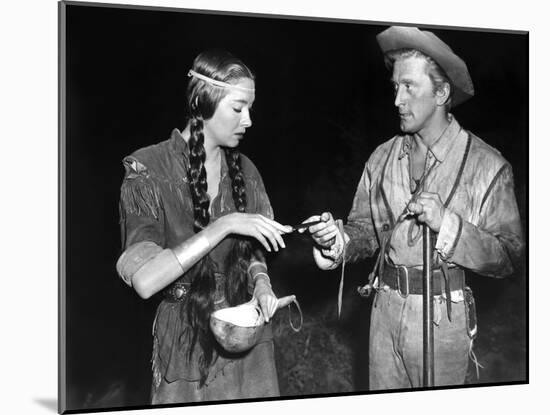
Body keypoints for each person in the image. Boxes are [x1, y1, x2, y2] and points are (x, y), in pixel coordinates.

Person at [303, 26, 524, 389]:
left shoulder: (486, 166)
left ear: (441, 92)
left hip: (442, 321)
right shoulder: (382, 157)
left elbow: (510, 256)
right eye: (395, 87)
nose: (396, 100)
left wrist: (449, 224)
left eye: (409, 87)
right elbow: (367, 231)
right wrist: (337, 241)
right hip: (383, 312)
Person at [115, 49, 293, 403]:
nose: (249, 121)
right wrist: (223, 226)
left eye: (250, 109)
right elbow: (145, 281)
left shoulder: (247, 171)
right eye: (238, 108)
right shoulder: (148, 170)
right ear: (204, 101)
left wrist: (261, 286)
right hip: (185, 343)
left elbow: (254, 251)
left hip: (247, 333)